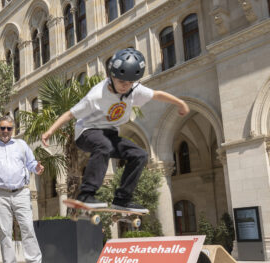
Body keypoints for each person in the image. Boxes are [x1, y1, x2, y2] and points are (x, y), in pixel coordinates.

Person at [42, 48, 190, 211]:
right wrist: (50, 131)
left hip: (110, 134)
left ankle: (122, 199)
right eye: (121, 82)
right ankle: (85, 194)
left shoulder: (135, 90)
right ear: (112, 76)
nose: (124, 87)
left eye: (129, 83)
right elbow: (70, 114)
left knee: (140, 155)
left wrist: (180, 103)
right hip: (86, 133)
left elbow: (157, 94)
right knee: (103, 145)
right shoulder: (97, 95)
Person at [0, 115, 48, 263]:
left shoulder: (21, 145)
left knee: (28, 229)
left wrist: (37, 168)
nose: (5, 131)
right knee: (4, 232)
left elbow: (31, 164)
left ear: (13, 129)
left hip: (21, 192)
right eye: (2, 128)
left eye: (9, 128)